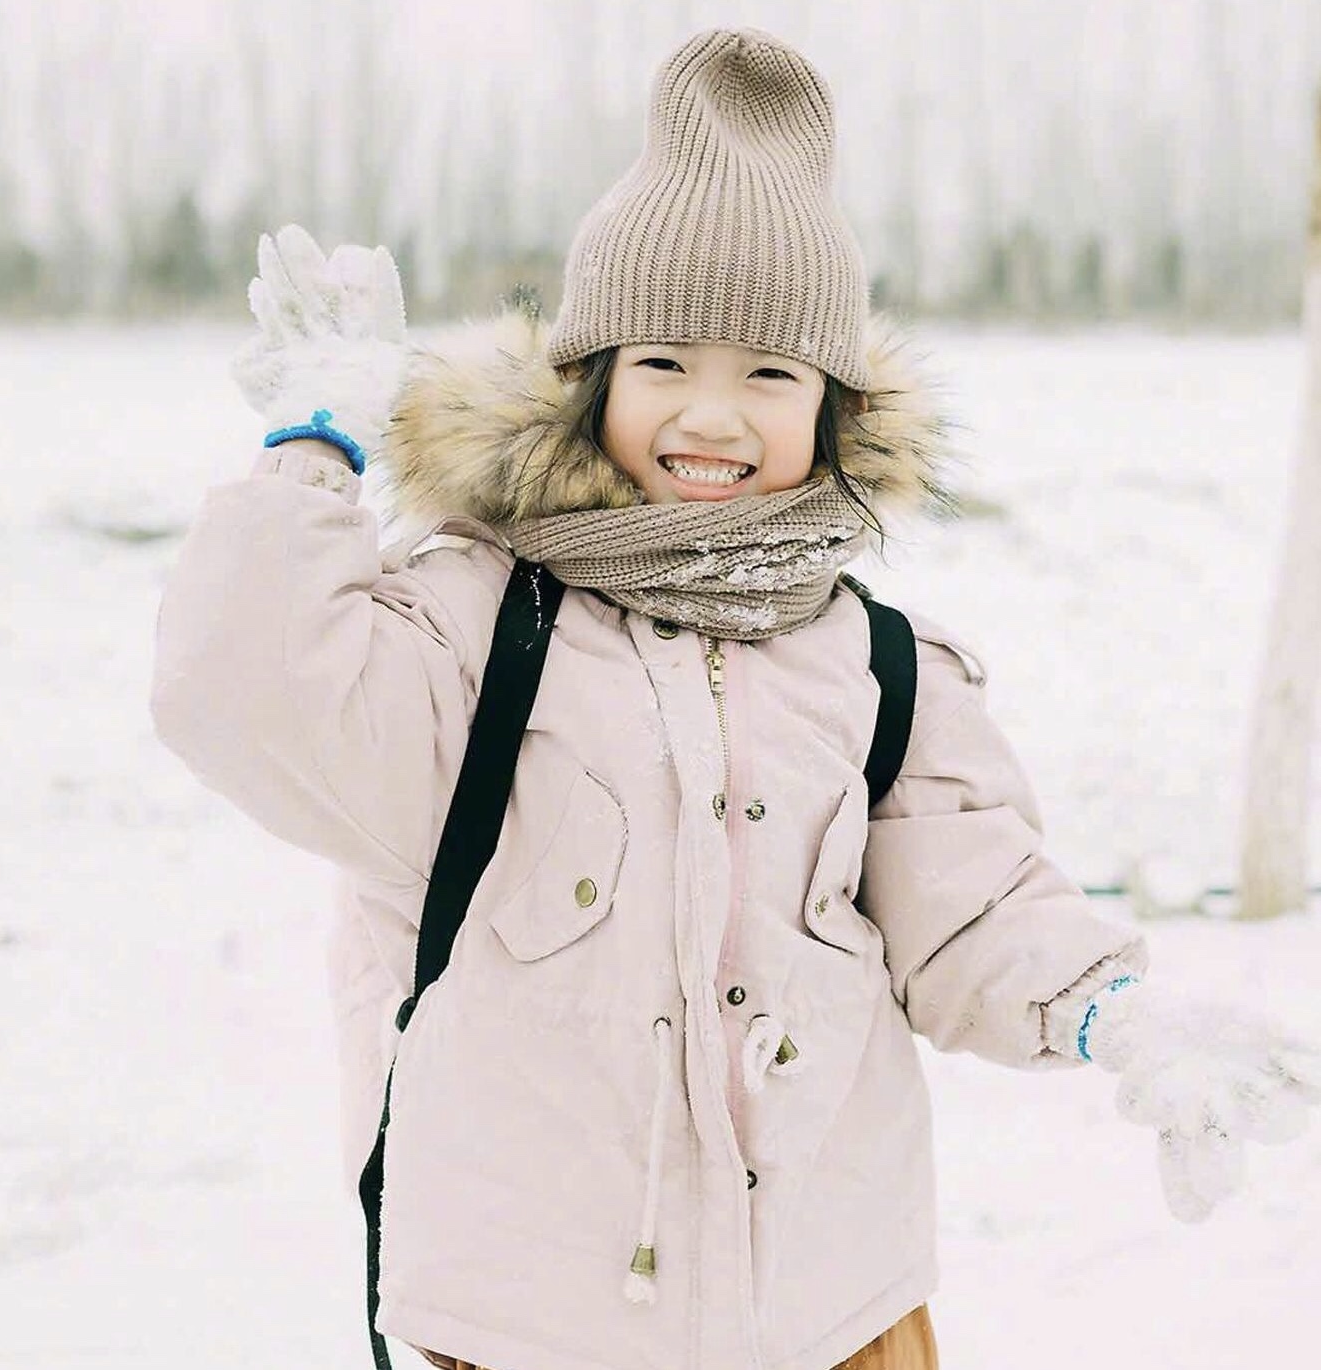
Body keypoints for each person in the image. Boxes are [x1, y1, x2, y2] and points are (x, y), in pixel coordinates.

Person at [150, 27, 1321, 1370]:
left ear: (828, 405)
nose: (711, 414)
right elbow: (237, 689)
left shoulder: (880, 667)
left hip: (829, 1318)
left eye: (766, 373)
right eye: (662, 364)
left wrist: (1125, 1016)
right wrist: (313, 446)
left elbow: (978, 905)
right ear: (592, 384)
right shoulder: (483, 623)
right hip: (530, 1324)